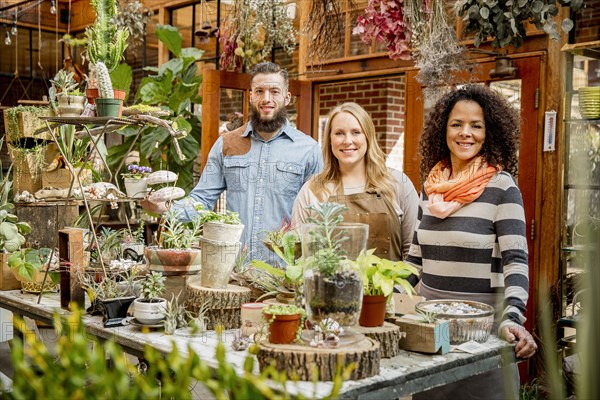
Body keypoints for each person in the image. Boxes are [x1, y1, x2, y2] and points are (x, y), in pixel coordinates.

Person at [406, 85, 537, 399]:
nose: (466, 133)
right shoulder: (432, 188)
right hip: (430, 337)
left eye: (476, 125)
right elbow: (414, 261)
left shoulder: (502, 187)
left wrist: (513, 317)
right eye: (457, 124)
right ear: (443, 130)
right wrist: (383, 295)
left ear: (489, 132)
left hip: (483, 337)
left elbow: (515, 262)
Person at [168, 62, 323, 261]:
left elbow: (316, 217)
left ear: (287, 97)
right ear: (251, 96)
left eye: (274, 91)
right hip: (234, 269)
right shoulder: (227, 144)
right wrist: (168, 208)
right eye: (259, 91)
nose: (266, 99)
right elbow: (202, 200)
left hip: (285, 275)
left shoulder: (308, 150)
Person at [292, 102, 418, 260]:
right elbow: (298, 256)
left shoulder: (398, 184)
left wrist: (399, 286)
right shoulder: (312, 190)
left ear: (368, 136)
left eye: (356, 132)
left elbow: (414, 254)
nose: (347, 140)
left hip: (390, 285)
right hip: (328, 285)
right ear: (329, 140)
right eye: (339, 133)